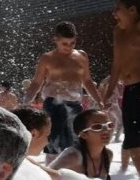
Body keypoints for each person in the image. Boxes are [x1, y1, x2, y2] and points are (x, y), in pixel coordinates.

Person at [12, 106, 133, 180]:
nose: (106, 130)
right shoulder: (73, 157)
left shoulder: (108, 155)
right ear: (84, 134)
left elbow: (50, 177)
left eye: (110, 125)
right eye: (97, 127)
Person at [25, 21, 104, 164]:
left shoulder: (81, 56)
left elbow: (87, 81)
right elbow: (37, 82)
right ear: (55, 39)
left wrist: (99, 100)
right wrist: (27, 100)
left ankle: (73, 173)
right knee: (53, 143)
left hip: (74, 104)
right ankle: (52, 174)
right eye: (64, 43)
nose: (68, 47)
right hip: (53, 104)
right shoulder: (47, 58)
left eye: (72, 43)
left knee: (76, 141)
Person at [102, 0, 140, 180]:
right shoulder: (117, 32)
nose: (114, 13)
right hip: (130, 89)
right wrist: (109, 92)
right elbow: (117, 64)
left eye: (118, 9)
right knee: (132, 138)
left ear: (132, 10)